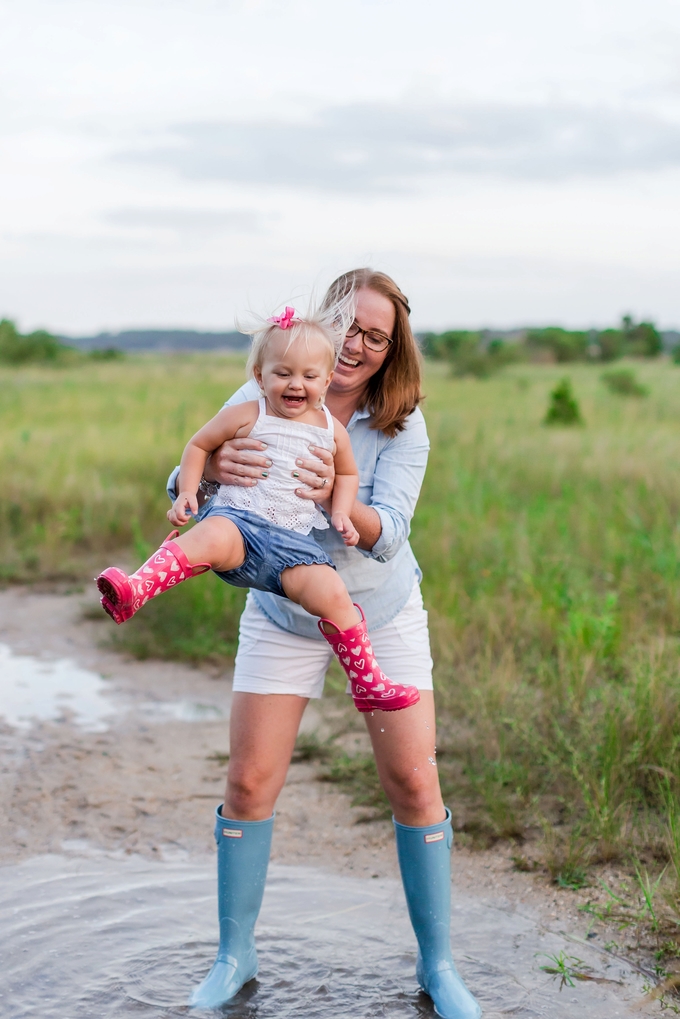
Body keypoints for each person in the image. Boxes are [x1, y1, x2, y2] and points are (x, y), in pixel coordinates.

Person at [168, 269, 481, 1019]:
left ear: (390, 347)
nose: (359, 345)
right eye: (351, 326)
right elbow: (183, 476)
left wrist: (341, 505)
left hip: (378, 613)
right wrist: (215, 480)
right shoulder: (266, 388)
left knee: (413, 783)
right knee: (248, 783)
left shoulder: (402, 424)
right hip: (280, 614)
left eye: (378, 335)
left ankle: (439, 964)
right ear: (324, 320)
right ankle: (233, 955)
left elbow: (392, 532)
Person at [95, 302, 419, 713]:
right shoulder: (249, 412)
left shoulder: (330, 430)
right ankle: (135, 589)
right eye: (282, 373)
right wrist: (188, 492)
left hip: (292, 547)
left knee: (333, 592)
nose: (294, 383)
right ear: (259, 377)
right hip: (239, 527)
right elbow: (198, 445)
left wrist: (340, 512)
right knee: (210, 535)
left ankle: (367, 681)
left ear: (326, 378)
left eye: (308, 375)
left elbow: (348, 475)